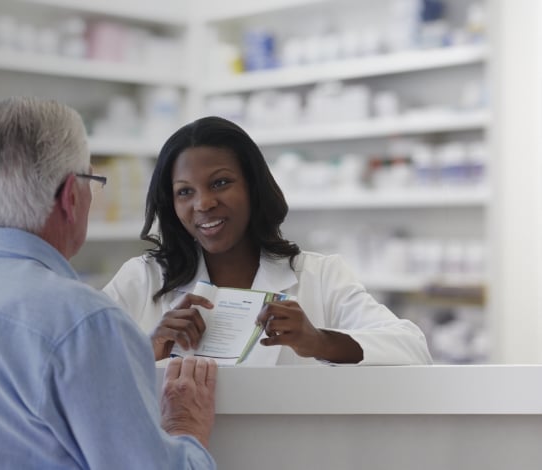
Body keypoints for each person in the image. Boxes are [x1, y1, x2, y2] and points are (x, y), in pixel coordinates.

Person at [0, 97, 218, 469]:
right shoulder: (85, 322)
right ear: (70, 196)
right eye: (91, 181)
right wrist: (185, 428)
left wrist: (125, 359)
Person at [103, 116, 432, 366]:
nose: (203, 203)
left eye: (220, 183)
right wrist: (150, 349)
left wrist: (319, 341)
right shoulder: (142, 280)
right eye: (185, 191)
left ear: (253, 187)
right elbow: (76, 375)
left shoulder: (319, 277)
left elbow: (413, 349)